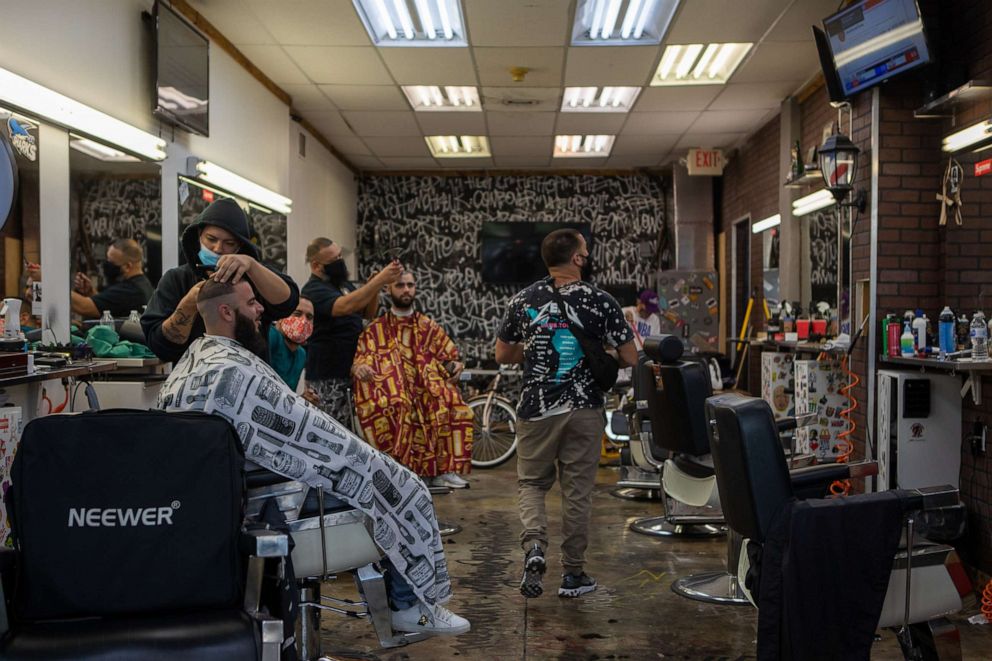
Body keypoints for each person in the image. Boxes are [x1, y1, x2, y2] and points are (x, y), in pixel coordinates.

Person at [155, 278, 470, 636]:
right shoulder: (232, 369)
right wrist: (365, 458)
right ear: (227, 311)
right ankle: (409, 606)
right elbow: (317, 434)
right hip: (272, 504)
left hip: (230, 502)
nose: (261, 310)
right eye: (252, 303)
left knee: (375, 476)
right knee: (400, 486)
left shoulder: (192, 363)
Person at [495, 228, 636, 600]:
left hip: (536, 409)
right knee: (577, 494)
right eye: (585, 253)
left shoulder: (522, 300)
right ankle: (573, 575)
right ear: (576, 259)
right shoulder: (602, 300)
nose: (587, 258)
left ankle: (535, 548)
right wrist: (598, 351)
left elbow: (502, 355)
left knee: (531, 484)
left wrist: (533, 351)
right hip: (585, 409)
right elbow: (631, 357)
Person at [352, 271, 472, 489]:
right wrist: (361, 368)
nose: (406, 289)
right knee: (399, 404)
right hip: (394, 393)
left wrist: (456, 365)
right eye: (400, 285)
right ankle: (397, 470)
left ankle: (442, 469)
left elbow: (449, 356)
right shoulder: (376, 329)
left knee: (452, 403)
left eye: (410, 285)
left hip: (426, 390)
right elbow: (360, 361)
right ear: (389, 289)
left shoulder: (428, 326)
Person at [141, 198, 299, 364]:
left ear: (239, 246)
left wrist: (252, 265)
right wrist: (189, 304)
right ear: (199, 235)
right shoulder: (176, 280)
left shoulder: (253, 276)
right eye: (211, 239)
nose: (218, 248)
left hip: (248, 378)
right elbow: (160, 345)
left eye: (229, 243)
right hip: (194, 379)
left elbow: (288, 302)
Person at [301, 237, 402, 423]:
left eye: (340, 256)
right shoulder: (313, 290)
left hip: (349, 373)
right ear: (316, 266)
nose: (340, 262)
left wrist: (375, 288)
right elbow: (343, 307)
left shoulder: (342, 285)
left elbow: (366, 313)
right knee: (330, 431)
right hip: (327, 377)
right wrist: (379, 280)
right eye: (334, 260)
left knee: (349, 430)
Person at [267, 296, 313, 392]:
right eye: (297, 314)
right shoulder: (272, 336)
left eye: (309, 317)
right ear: (281, 316)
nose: (304, 321)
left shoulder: (301, 354)